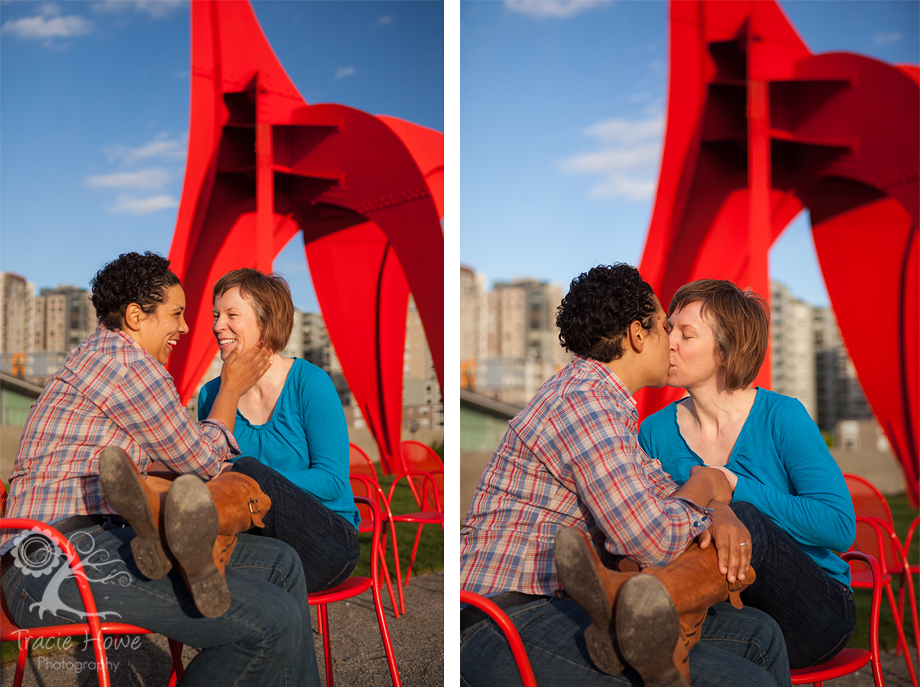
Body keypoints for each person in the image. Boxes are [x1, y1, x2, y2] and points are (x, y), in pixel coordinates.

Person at [460, 264, 792, 687]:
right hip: (503, 616)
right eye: (664, 327)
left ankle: (649, 616)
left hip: (558, 607)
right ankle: (649, 617)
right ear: (638, 335)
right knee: (746, 681)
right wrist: (708, 489)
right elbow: (650, 538)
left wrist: (715, 501)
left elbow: (659, 490)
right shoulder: (584, 403)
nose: (671, 341)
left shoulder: (605, 404)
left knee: (760, 636)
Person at [0, 252, 321, 687]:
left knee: (282, 562)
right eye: (176, 314)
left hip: (90, 543)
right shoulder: (130, 366)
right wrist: (231, 387)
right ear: (136, 316)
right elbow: (204, 461)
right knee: (272, 622)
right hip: (58, 563)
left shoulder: (97, 355)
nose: (187, 328)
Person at [639, 279, 857, 669]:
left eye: (686, 335)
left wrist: (731, 483)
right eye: (670, 329)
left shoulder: (782, 416)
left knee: (744, 518)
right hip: (722, 614)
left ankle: (641, 608)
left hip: (814, 609)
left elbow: (839, 526)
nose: (668, 342)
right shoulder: (653, 431)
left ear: (726, 350)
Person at [197, 268, 360, 593]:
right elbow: (207, 475)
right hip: (255, 541)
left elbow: (333, 481)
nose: (217, 326)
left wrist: (246, 478)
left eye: (231, 315)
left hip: (327, 541)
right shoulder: (211, 395)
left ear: (266, 322)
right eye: (216, 315)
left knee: (241, 470)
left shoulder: (310, 383)